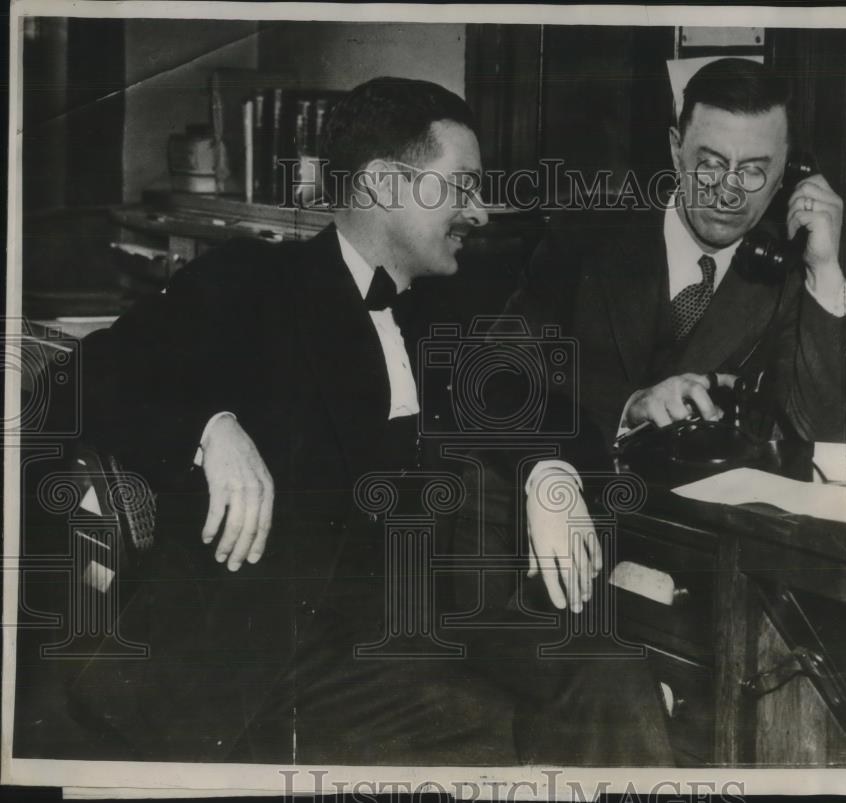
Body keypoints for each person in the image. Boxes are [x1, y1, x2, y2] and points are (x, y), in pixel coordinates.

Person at [65, 76, 673, 766]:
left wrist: (549, 470)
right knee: (497, 734)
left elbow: (549, 413)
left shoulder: (447, 309)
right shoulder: (255, 281)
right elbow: (85, 375)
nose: (479, 212)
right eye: (462, 186)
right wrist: (212, 428)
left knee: (609, 669)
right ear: (385, 184)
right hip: (280, 658)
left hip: (432, 618)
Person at [457, 58, 846, 669]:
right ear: (675, 149)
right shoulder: (588, 235)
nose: (730, 191)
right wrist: (630, 404)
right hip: (553, 541)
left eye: (756, 171)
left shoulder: (789, 274)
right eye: (709, 164)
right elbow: (494, 372)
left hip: (699, 568)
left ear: (790, 171)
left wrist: (824, 270)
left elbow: (831, 433)